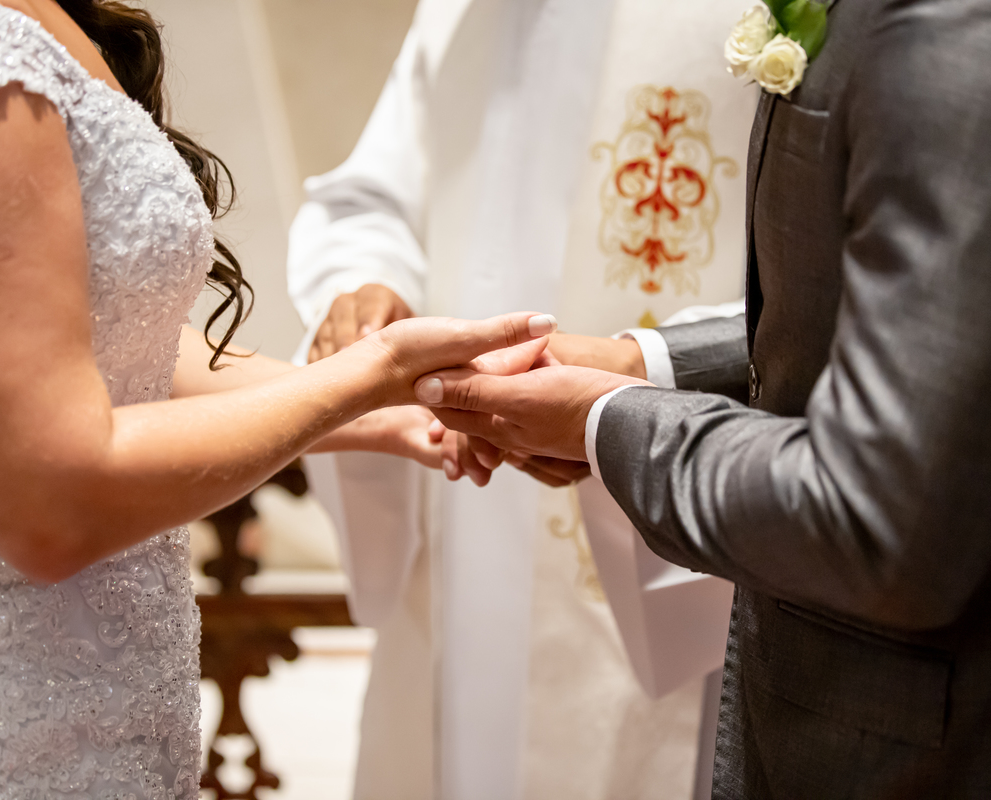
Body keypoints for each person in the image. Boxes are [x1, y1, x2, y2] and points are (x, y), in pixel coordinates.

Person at [0, 0, 556, 795]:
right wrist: (368, 374)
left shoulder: (36, 16)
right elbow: (46, 506)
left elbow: (118, 347)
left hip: (104, 715)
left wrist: (391, 404)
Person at [417, 0, 991, 796]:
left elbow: (873, 517)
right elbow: (953, 312)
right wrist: (648, 362)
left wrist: (607, 420)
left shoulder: (966, 29)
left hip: (947, 742)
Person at [286, 0, 758, 796]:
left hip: (637, 490)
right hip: (459, 495)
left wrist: (642, 371)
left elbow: (823, 281)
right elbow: (373, 198)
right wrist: (364, 284)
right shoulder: (463, 12)